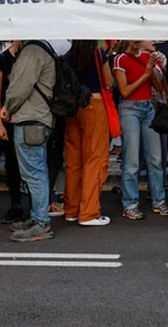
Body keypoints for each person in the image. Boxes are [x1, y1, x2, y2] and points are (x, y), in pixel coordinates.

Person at [1, 40, 57, 242]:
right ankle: (37, 217)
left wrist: (8, 107)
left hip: (30, 118)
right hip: (38, 117)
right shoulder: (41, 48)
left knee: (34, 172)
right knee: (36, 170)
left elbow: (19, 87)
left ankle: (41, 222)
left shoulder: (31, 51)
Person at [113, 40, 168, 220]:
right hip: (130, 108)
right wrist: (146, 74)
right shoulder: (120, 59)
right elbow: (124, 91)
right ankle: (130, 203)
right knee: (132, 160)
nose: (138, 41)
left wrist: (151, 71)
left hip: (148, 106)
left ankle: (158, 201)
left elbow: (159, 87)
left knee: (155, 158)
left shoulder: (148, 57)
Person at [63, 40, 112, 226]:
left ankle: (71, 209)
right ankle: (89, 212)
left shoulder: (68, 55)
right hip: (94, 104)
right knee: (95, 159)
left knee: (74, 160)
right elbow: (108, 81)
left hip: (73, 108)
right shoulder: (98, 54)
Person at [0, 41, 26, 224]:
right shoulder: (3, 60)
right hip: (9, 119)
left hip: (30, 116)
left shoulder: (33, 55)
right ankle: (16, 205)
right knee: (12, 164)